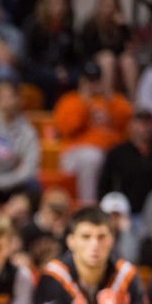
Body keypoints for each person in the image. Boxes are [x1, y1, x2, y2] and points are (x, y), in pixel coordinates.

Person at [52, 60, 133, 204]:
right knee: (92, 157)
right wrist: (85, 103)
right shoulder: (70, 101)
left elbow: (129, 117)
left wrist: (110, 99)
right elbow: (68, 129)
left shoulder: (111, 99)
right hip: (76, 153)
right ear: (81, 81)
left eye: (96, 80)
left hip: (109, 151)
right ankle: (88, 205)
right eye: (88, 80)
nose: (92, 84)